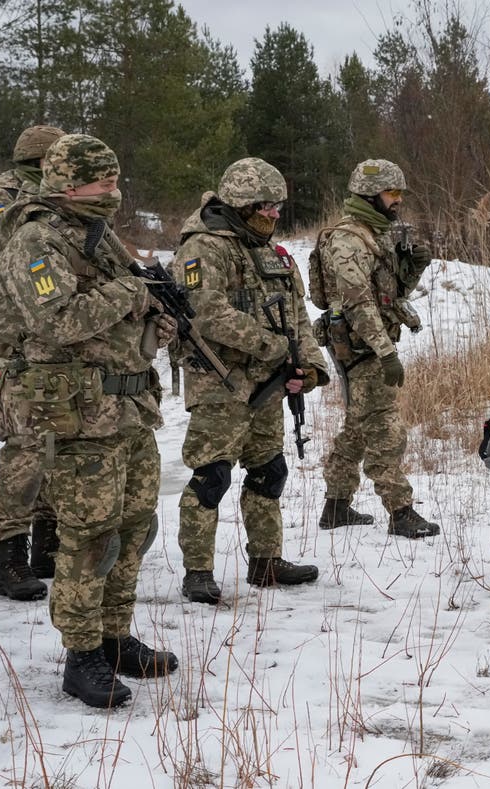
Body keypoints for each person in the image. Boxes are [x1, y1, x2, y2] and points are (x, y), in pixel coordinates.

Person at [0, 133, 179, 707]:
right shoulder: (35, 242)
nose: (114, 192)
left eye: (117, 180)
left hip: (126, 410)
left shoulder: (102, 240)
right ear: (68, 184)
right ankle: (83, 655)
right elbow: (60, 322)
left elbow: (129, 315)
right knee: (88, 538)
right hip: (75, 417)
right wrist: (132, 291)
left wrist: (157, 317)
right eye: (104, 182)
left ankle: (117, 638)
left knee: (134, 530)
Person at [170, 157, 327, 605]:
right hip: (221, 384)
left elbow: (298, 317)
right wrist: (274, 347)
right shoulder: (203, 249)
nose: (274, 214)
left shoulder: (272, 252)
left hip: (269, 387)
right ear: (240, 204)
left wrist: (309, 367)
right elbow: (207, 311)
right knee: (212, 475)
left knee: (268, 471)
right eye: (265, 206)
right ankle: (197, 570)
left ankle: (265, 561)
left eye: (278, 206)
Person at [315, 159, 440, 539]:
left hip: (370, 342)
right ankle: (400, 511)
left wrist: (415, 265)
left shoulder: (376, 233)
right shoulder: (349, 239)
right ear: (371, 196)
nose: (398, 200)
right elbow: (357, 302)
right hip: (361, 347)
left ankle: (335, 507)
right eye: (392, 193)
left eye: (400, 193)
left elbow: (389, 294)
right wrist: (386, 352)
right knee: (386, 429)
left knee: (357, 426)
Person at [0, 124, 66, 601]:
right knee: (25, 450)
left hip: (52, 341)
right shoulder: (0, 199)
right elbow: (16, 248)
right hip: (15, 345)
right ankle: (11, 558)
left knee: (56, 441)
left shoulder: (52, 198)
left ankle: (46, 545)